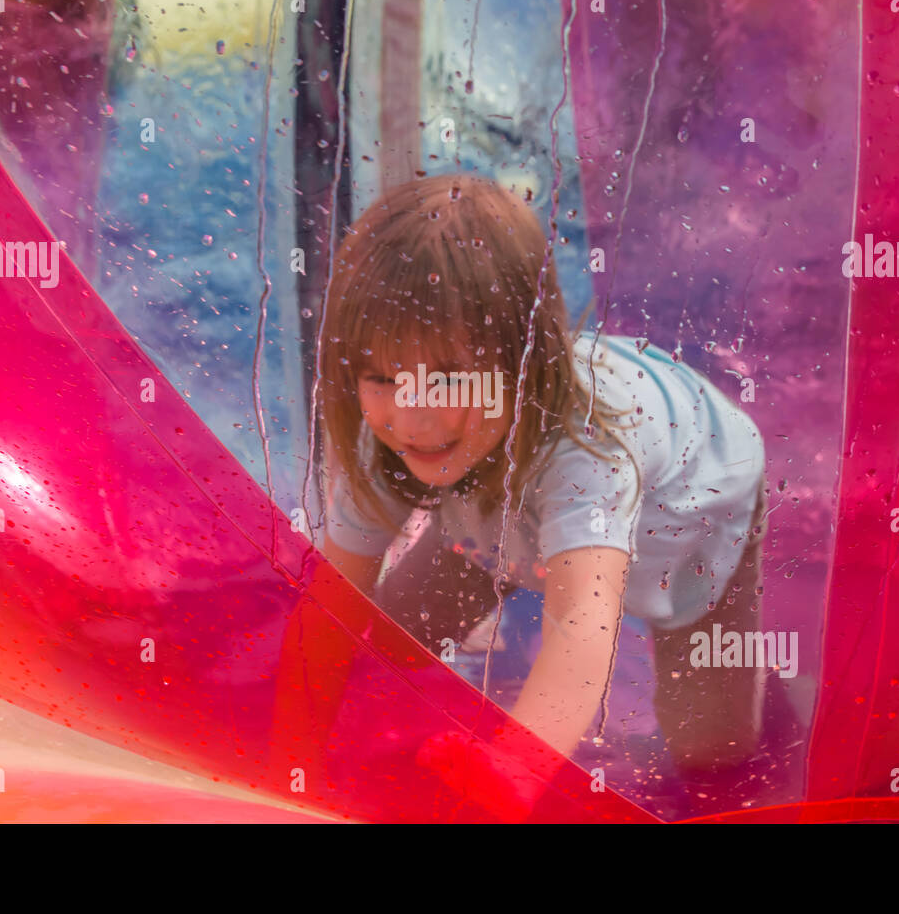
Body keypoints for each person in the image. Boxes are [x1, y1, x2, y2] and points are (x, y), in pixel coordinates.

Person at [314, 172, 768, 817]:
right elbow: (330, 609)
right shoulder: (406, 431)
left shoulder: (586, 451)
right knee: (383, 642)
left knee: (712, 755)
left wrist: (511, 774)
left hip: (692, 511)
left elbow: (581, 630)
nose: (411, 417)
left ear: (524, 361)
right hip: (499, 509)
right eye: (383, 377)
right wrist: (289, 763)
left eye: (448, 377)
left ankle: (776, 693)